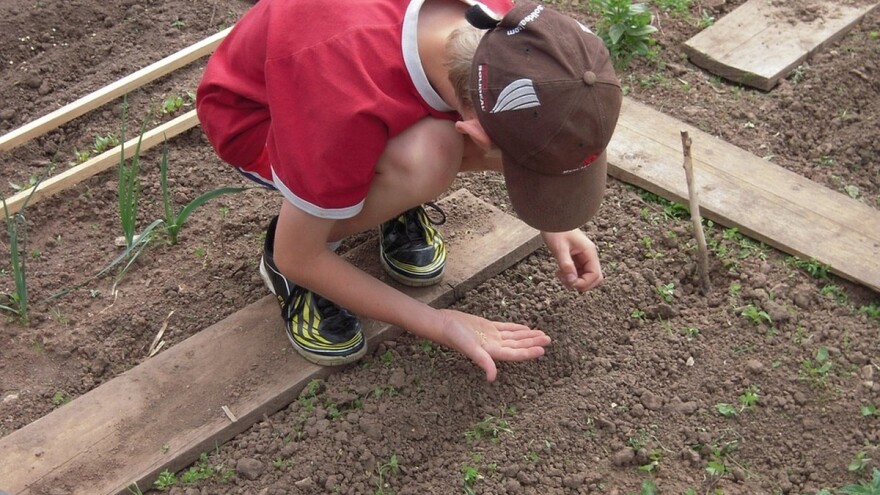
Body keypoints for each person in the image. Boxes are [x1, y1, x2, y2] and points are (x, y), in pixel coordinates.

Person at [196, 0, 622, 382]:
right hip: (259, 117)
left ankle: (385, 195)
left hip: (357, 95)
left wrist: (553, 222)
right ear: (474, 133)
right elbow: (299, 254)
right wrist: (441, 322)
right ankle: (297, 262)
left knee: (430, 154)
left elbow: (534, 117)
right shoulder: (340, 103)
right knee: (427, 160)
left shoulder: (508, 31)